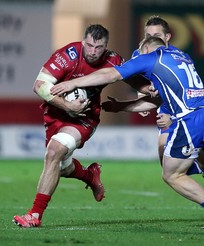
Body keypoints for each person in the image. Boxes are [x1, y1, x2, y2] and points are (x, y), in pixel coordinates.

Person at [50, 36, 204, 229]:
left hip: (191, 119)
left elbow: (111, 74)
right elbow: (159, 98)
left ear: (146, 49)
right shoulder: (182, 56)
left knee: (172, 174)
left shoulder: (151, 57)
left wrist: (73, 82)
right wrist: (122, 106)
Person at [130, 15, 204, 223]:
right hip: (167, 109)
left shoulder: (176, 56)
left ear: (167, 37)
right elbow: (140, 82)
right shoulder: (139, 54)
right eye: (147, 35)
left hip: (183, 114)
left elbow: (186, 95)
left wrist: (171, 118)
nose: (150, 39)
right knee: (166, 158)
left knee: (179, 166)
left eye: (156, 35)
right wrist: (141, 96)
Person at [13, 24, 125, 228]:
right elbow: (39, 85)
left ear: (106, 47)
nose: (92, 51)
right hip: (56, 114)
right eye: (89, 45)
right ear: (83, 41)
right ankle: (89, 175)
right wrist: (67, 105)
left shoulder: (113, 60)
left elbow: (138, 79)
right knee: (61, 167)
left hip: (84, 117)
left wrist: (144, 96)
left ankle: (34, 215)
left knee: (53, 153)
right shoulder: (68, 55)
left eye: (98, 47)